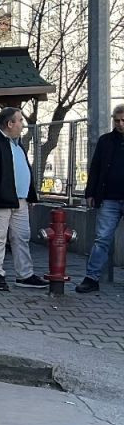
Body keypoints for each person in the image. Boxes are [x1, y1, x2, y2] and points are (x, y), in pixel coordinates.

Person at [0, 107, 46, 291]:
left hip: (19, 200)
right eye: (20, 120)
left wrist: (30, 194)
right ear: (9, 123)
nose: (22, 124)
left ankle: (25, 275)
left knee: (21, 236)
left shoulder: (16, 142)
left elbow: (23, 168)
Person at [79, 104, 124, 293]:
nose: (120, 124)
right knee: (102, 239)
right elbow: (95, 168)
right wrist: (90, 193)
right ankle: (91, 278)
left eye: (123, 120)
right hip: (109, 199)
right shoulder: (106, 141)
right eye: (117, 120)